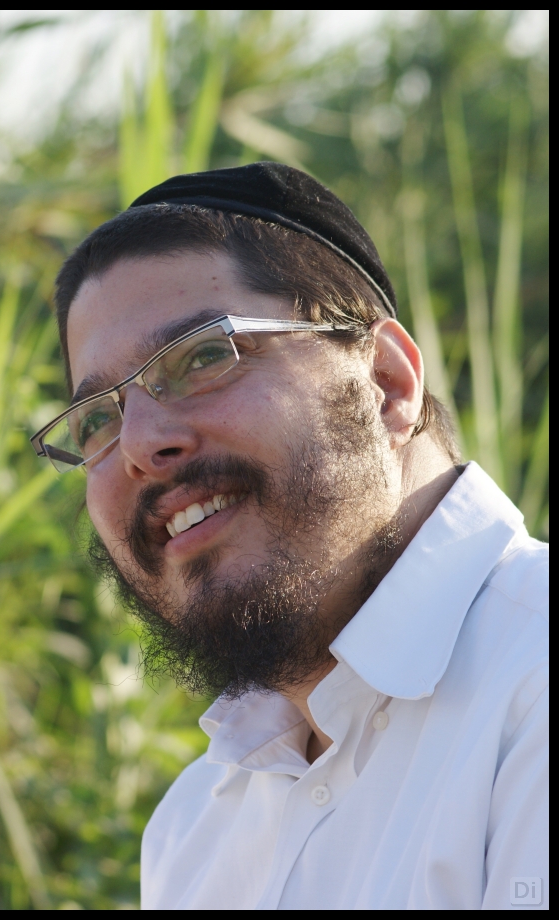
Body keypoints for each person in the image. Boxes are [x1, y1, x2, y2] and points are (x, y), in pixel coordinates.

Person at [31, 163, 548, 910]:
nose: (140, 444)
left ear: (386, 382)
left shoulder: (531, 688)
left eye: (205, 356)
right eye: (95, 422)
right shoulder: (193, 827)